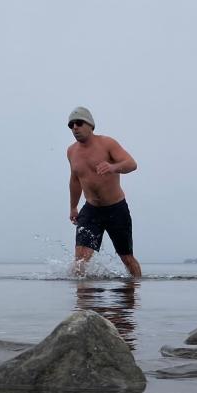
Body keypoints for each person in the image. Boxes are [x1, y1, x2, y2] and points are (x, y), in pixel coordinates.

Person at [66, 106, 141, 278]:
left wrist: (113, 167)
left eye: (78, 123)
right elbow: (75, 180)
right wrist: (73, 207)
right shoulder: (71, 151)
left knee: (127, 258)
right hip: (91, 210)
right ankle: (83, 303)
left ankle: (135, 290)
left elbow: (131, 164)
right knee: (80, 261)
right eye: (71, 125)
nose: (75, 127)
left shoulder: (107, 143)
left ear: (90, 125)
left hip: (116, 209)